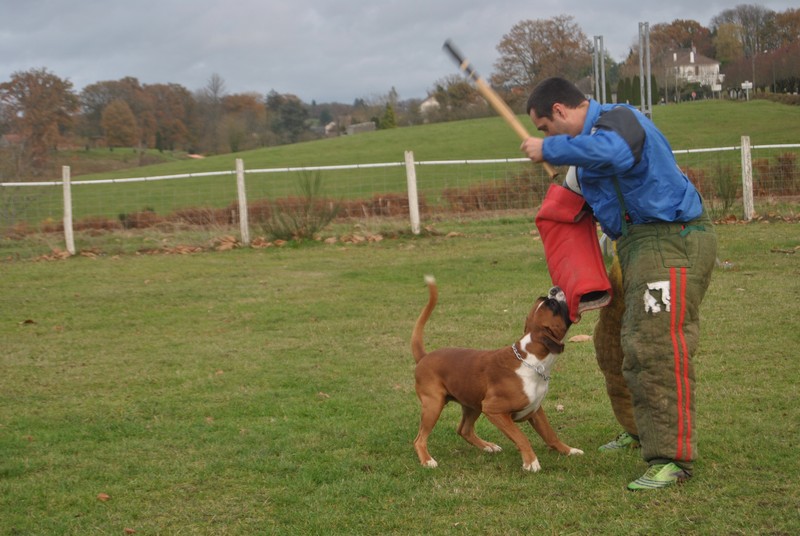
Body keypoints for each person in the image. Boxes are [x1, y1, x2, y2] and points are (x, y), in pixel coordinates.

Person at [520, 77, 717, 491]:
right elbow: (567, 204)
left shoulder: (620, 121)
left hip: (671, 239)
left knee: (655, 346)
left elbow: (613, 153)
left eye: (544, 128)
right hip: (632, 248)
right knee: (611, 343)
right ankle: (637, 429)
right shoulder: (582, 157)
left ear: (559, 111)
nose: (545, 137)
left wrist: (550, 149)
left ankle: (671, 459)